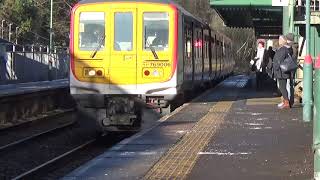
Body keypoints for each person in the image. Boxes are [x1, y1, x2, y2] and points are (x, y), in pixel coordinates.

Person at [273, 35, 293, 109]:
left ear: (283, 41)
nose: (279, 41)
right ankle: (285, 101)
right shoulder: (285, 48)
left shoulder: (283, 49)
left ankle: (286, 102)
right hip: (282, 71)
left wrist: (275, 67)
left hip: (281, 72)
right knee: (282, 87)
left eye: (280, 39)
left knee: (282, 87)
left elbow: (279, 60)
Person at [285, 33, 298, 107]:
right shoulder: (295, 46)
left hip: (290, 67)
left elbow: (292, 57)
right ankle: (290, 100)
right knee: (290, 83)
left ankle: (290, 100)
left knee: (289, 83)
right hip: (293, 66)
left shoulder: (291, 47)